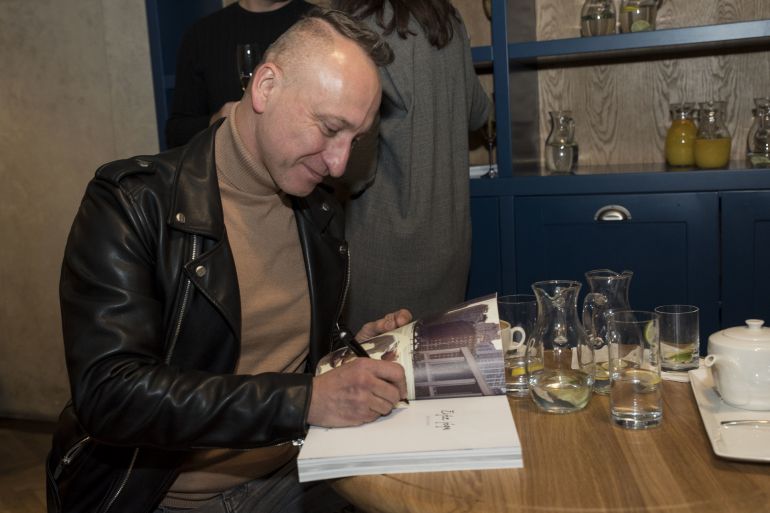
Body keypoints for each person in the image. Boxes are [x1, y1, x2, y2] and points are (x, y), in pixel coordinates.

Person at [46, 9, 411, 513]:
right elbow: (111, 394)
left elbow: (284, 354)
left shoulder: (319, 211)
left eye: (356, 139)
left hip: (298, 473)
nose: (339, 162)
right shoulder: (131, 204)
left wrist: (350, 354)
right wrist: (306, 400)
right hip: (173, 500)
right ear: (265, 87)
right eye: (330, 128)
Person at [333, 0, 492, 332]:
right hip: (448, 246)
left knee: (376, 360)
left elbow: (356, 172)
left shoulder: (360, 24)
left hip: (383, 252)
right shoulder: (447, 17)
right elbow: (479, 112)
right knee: (440, 361)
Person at [165, 0, 314, 148]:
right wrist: (215, 122)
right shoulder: (202, 34)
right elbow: (176, 134)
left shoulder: (317, 25)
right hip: (231, 159)